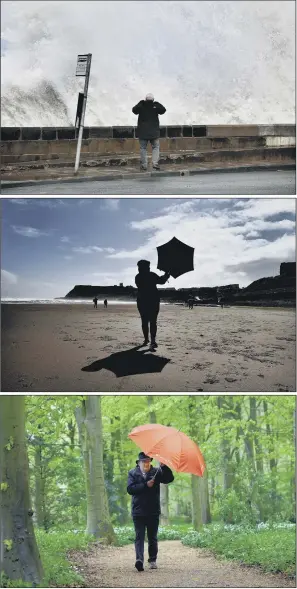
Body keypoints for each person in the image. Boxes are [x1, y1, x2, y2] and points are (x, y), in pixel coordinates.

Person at [127, 452, 174, 572]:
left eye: (148, 461)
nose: (146, 463)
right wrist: (145, 485)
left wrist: (164, 467)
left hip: (153, 511)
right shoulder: (132, 473)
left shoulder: (156, 472)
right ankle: (139, 560)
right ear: (139, 462)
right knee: (139, 537)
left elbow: (169, 479)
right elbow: (130, 489)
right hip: (138, 511)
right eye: (144, 461)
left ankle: (152, 560)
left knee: (152, 537)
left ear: (150, 461)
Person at [135, 260, 170, 350]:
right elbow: (161, 281)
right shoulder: (151, 275)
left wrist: (165, 276)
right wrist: (166, 275)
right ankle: (152, 341)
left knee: (144, 321)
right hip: (153, 301)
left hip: (142, 302)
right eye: (148, 266)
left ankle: (147, 340)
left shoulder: (138, 277)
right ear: (146, 267)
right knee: (153, 321)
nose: (149, 268)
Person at [132, 94, 166, 171]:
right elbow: (163, 110)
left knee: (143, 148)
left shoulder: (141, 106)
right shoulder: (155, 106)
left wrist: (140, 102)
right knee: (156, 147)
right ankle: (155, 163)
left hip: (143, 132)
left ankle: (144, 165)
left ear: (145, 99)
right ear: (153, 100)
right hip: (154, 132)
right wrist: (156, 103)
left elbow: (134, 110)